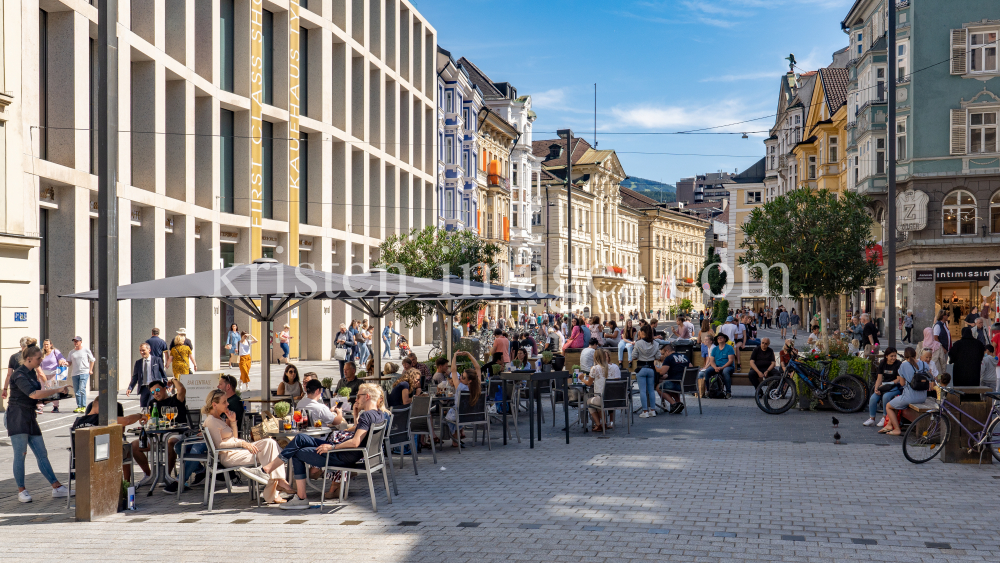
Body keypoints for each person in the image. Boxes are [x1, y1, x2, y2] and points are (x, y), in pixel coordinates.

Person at [261, 382, 389, 510]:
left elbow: (355, 442)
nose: (356, 399)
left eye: (358, 396)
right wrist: (356, 415)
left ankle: (300, 497)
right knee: (300, 438)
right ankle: (268, 469)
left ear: (367, 396)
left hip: (342, 455)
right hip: (351, 454)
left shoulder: (367, 415)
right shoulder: (378, 414)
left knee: (297, 451)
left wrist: (332, 447)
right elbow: (358, 431)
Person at [7, 346, 74, 503]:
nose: (41, 360)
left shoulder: (31, 373)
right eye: (39, 358)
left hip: (29, 415)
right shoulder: (19, 374)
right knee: (20, 454)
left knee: (42, 453)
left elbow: (37, 399)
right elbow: (34, 394)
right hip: (17, 416)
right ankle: (21, 490)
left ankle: (56, 487)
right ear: (29, 358)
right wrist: (55, 390)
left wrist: (59, 395)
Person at [201, 389, 287, 504]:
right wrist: (242, 443)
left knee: (270, 442)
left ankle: (277, 483)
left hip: (235, 451)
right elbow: (218, 446)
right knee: (271, 453)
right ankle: (275, 490)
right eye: (224, 402)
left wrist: (233, 422)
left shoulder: (218, 418)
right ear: (214, 404)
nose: (227, 404)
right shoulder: (211, 421)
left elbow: (234, 438)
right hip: (229, 456)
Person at [131, 378, 188, 486]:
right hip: (157, 435)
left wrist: (174, 380)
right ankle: (149, 475)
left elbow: (181, 390)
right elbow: (151, 419)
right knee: (134, 445)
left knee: (170, 443)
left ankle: (166, 475)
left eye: (157, 390)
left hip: (175, 433)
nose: (155, 393)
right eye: (152, 392)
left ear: (165, 388)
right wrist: (145, 419)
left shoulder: (175, 399)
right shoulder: (153, 403)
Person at [882, 347, 930, 436]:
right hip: (923, 397)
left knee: (888, 406)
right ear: (915, 354)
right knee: (896, 403)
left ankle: (896, 429)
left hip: (909, 397)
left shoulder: (903, 365)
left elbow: (902, 383)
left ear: (905, 356)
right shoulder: (924, 365)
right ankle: (889, 425)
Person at [582, 349, 622, 431]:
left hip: (601, 399)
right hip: (615, 398)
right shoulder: (615, 367)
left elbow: (589, 383)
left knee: (588, 401)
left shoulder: (595, 368)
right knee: (599, 400)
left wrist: (582, 379)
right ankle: (603, 423)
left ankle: (599, 424)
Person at [863, 347, 902, 427]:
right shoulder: (882, 363)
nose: (893, 358)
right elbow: (879, 378)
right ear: (886, 356)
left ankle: (884, 417)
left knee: (886, 396)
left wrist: (888, 384)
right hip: (884, 386)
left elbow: (898, 379)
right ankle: (872, 418)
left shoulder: (898, 364)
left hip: (895, 387)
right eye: (891, 356)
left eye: (895, 356)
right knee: (873, 397)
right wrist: (876, 388)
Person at [126, 342, 167, 408]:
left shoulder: (157, 360)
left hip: (154, 387)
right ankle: (145, 417)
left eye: (143, 350)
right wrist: (130, 388)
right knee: (143, 407)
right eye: (140, 350)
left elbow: (163, 373)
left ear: (149, 350)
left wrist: (166, 386)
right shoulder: (138, 362)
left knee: (152, 405)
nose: (142, 352)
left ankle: (153, 417)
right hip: (144, 388)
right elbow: (135, 376)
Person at [655, 343, 690, 414]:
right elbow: (691, 369)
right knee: (669, 384)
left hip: (677, 384)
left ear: (667, 351)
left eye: (663, 353)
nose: (663, 356)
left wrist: (654, 367)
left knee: (658, 387)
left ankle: (674, 404)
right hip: (687, 385)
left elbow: (662, 372)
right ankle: (678, 403)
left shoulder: (669, 358)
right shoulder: (685, 357)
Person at [633, 325, 659, 418]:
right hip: (651, 368)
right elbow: (658, 356)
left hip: (641, 368)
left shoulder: (638, 343)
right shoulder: (655, 343)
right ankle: (653, 410)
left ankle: (645, 411)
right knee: (651, 390)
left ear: (642, 332)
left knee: (643, 391)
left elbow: (634, 356)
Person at [700, 334, 735, 399]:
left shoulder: (729, 348)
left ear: (725, 339)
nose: (719, 339)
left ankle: (728, 393)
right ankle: (708, 391)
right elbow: (712, 360)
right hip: (717, 366)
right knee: (707, 371)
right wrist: (715, 367)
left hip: (728, 366)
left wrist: (722, 367)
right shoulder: (715, 349)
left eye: (721, 337)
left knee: (725, 372)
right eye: (718, 338)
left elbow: (730, 361)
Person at [65, 336, 95, 413]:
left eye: (77, 341)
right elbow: (69, 362)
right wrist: (65, 363)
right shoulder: (71, 352)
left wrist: (90, 370)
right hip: (75, 373)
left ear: (81, 341)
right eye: (74, 341)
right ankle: (79, 406)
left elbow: (92, 360)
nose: (76, 343)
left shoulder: (85, 350)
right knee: (76, 390)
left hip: (84, 372)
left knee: (82, 389)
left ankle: (84, 406)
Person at [39, 339, 68, 413]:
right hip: (43, 374)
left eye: (47, 344)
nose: (46, 346)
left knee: (53, 390)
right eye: (44, 344)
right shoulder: (42, 353)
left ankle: (55, 406)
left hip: (53, 374)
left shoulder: (55, 351)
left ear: (51, 345)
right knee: (42, 390)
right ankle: (40, 407)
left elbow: (61, 358)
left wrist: (61, 361)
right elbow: (39, 364)